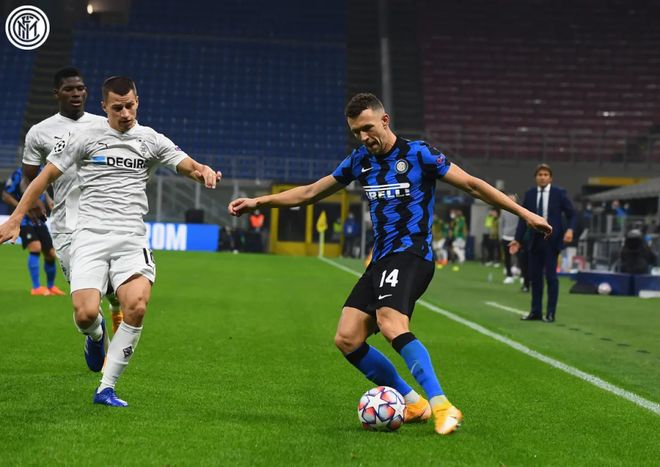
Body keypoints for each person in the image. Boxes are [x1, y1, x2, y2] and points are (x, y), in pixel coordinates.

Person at [228, 93, 551, 435]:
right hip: (381, 259)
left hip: (412, 255)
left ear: (385, 120)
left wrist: (526, 214)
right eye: (356, 132)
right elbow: (310, 193)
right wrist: (259, 202)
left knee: (390, 321)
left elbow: (472, 185)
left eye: (368, 127)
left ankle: (442, 404)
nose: (364, 137)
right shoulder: (359, 160)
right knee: (347, 338)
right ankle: (414, 403)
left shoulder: (419, 154)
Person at [0, 76, 221, 407]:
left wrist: (203, 171)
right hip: (88, 236)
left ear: (137, 102)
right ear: (104, 107)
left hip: (131, 237)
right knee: (85, 314)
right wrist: (15, 218)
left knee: (137, 306)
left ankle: (106, 387)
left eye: (130, 105)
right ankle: (96, 334)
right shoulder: (83, 136)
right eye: (117, 107)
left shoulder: (150, 139)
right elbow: (44, 177)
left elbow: (187, 165)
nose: (125, 113)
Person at [20, 67, 125, 330]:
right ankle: (96, 338)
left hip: (103, 218)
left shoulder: (106, 124)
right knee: (85, 298)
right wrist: (34, 199)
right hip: (65, 224)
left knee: (112, 288)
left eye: (80, 88)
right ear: (57, 93)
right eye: (69, 89)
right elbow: (28, 177)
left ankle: (115, 308)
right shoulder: (40, 132)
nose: (76, 93)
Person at [509, 163, 575, 322]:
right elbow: (523, 219)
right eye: (540, 175)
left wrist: (570, 230)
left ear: (550, 178)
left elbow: (572, 214)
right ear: (535, 178)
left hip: (552, 242)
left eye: (546, 175)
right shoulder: (530, 194)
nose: (543, 177)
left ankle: (550, 313)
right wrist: (517, 239)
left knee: (551, 278)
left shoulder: (559, 193)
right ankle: (535, 312)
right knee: (535, 278)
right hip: (534, 241)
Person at [2, 166, 64, 296]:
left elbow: (41, 188)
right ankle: (36, 288)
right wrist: (22, 209)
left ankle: (51, 287)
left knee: (50, 253)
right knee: (35, 247)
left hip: (39, 220)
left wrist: (48, 199)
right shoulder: (19, 174)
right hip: (24, 221)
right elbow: (5, 195)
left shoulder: (42, 170)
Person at [499, 194, 519, 284]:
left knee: (519, 257)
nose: (511, 200)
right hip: (505, 237)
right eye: (509, 199)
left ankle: (521, 274)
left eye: (512, 199)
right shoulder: (503, 211)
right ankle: (509, 275)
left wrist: (519, 237)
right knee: (507, 257)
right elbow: (501, 224)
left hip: (516, 238)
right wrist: (501, 236)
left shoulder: (519, 210)